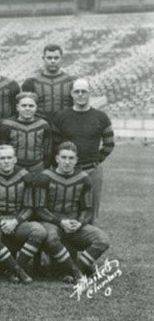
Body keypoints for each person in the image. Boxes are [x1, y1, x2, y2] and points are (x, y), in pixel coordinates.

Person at [33, 142, 111, 282]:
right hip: (52, 222)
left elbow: (87, 209)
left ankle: (74, 269)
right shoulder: (44, 177)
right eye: (63, 157)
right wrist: (60, 222)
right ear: (57, 159)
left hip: (74, 223)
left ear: (76, 160)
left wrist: (79, 223)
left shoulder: (83, 178)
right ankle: (76, 272)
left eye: (71, 158)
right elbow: (39, 209)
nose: (67, 162)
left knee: (102, 239)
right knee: (51, 237)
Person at [49, 78, 114, 225]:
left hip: (91, 170)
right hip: (67, 172)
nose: (80, 94)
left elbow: (109, 143)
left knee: (90, 212)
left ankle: (88, 244)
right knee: (66, 211)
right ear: (71, 94)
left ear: (89, 93)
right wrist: (65, 164)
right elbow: (54, 145)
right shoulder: (61, 117)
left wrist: (95, 159)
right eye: (76, 91)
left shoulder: (101, 117)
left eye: (83, 91)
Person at [0, 144, 41, 284]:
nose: (6, 161)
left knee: (39, 231)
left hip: (17, 220)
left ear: (15, 159)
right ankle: (17, 270)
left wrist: (16, 221)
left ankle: (12, 268)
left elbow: (29, 207)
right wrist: (0, 221)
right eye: (2, 158)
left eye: (9, 158)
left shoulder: (25, 176)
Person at [0, 92, 52, 173]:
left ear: (36, 107)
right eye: (24, 105)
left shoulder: (43, 125)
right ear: (17, 107)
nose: (27, 108)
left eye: (31, 106)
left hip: (37, 167)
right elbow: (1, 150)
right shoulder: (7, 125)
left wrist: (44, 166)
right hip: (14, 168)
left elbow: (48, 151)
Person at [22, 44, 75, 119]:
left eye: (56, 58)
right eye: (49, 58)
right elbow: (24, 107)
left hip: (65, 124)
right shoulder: (31, 82)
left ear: (61, 59)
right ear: (43, 58)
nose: (53, 61)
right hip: (40, 125)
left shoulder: (71, 81)